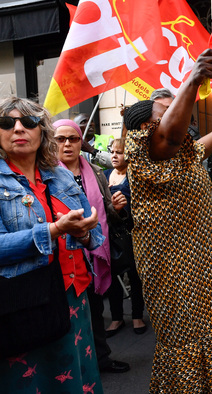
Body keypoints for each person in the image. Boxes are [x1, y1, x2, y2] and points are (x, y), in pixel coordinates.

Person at [123, 49, 212, 393]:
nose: (182, 111)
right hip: (170, 263)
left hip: (198, 254)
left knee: (207, 323)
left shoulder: (180, 151)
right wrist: (193, 79)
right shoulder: (148, 148)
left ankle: (210, 385)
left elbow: (200, 148)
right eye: (168, 110)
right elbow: (170, 137)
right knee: (183, 330)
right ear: (147, 126)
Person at [0, 97, 104, 392]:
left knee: (77, 379)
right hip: (24, 301)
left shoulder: (59, 173)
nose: (18, 128)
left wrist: (83, 234)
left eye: (29, 122)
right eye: (7, 123)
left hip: (74, 297)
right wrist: (54, 230)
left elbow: (92, 237)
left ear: (41, 131)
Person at [53, 119, 130, 374]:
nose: (67, 144)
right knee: (68, 313)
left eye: (73, 139)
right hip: (64, 254)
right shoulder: (46, 174)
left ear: (80, 142)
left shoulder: (96, 171)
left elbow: (104, 212)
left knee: (96, 309)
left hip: (94, 252)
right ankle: (73, 366)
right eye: (60, 139)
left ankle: (101, 359)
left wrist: (115, 208)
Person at [104, 138, 146, 335]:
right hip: (108, 234)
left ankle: (137, 316)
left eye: (119, 152)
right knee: (112, 277)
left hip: (132, 232)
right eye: (112, 152)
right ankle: (116, 318)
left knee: (135, 276)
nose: (114, 155)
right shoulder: (102, 175)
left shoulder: (134, 176)